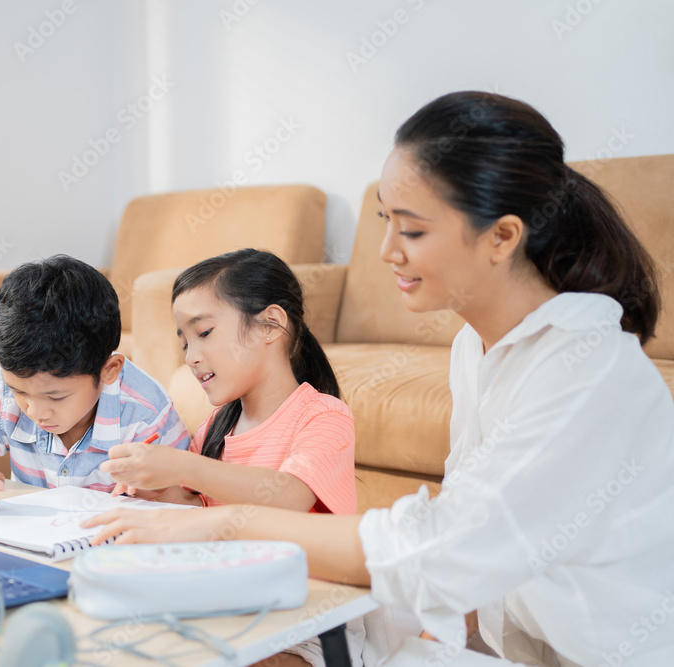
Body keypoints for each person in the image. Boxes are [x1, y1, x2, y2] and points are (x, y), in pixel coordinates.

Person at [84, 92, 674, 666]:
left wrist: (215, 526)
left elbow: (444, 546)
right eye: (385, 221)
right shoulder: (475, 347)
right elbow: (475, 532)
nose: (387, 250)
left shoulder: (585, 370)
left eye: (411, 230)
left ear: (502, 236)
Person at [0, 255, 190, 515]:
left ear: (109, 370)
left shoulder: (148, 415)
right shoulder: (1, 391)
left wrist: (161, 494)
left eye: (56, 397)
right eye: (19, 391)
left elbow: (190, 507)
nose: (35, 411)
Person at [101, 249, 357, 516]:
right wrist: (161, 492)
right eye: (186, 344)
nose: (190, 358)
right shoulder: (215, 426)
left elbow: (291, 497)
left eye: (204, 333)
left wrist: (184, 466)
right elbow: (202, 508)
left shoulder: (324, 416)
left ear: (269, 325)